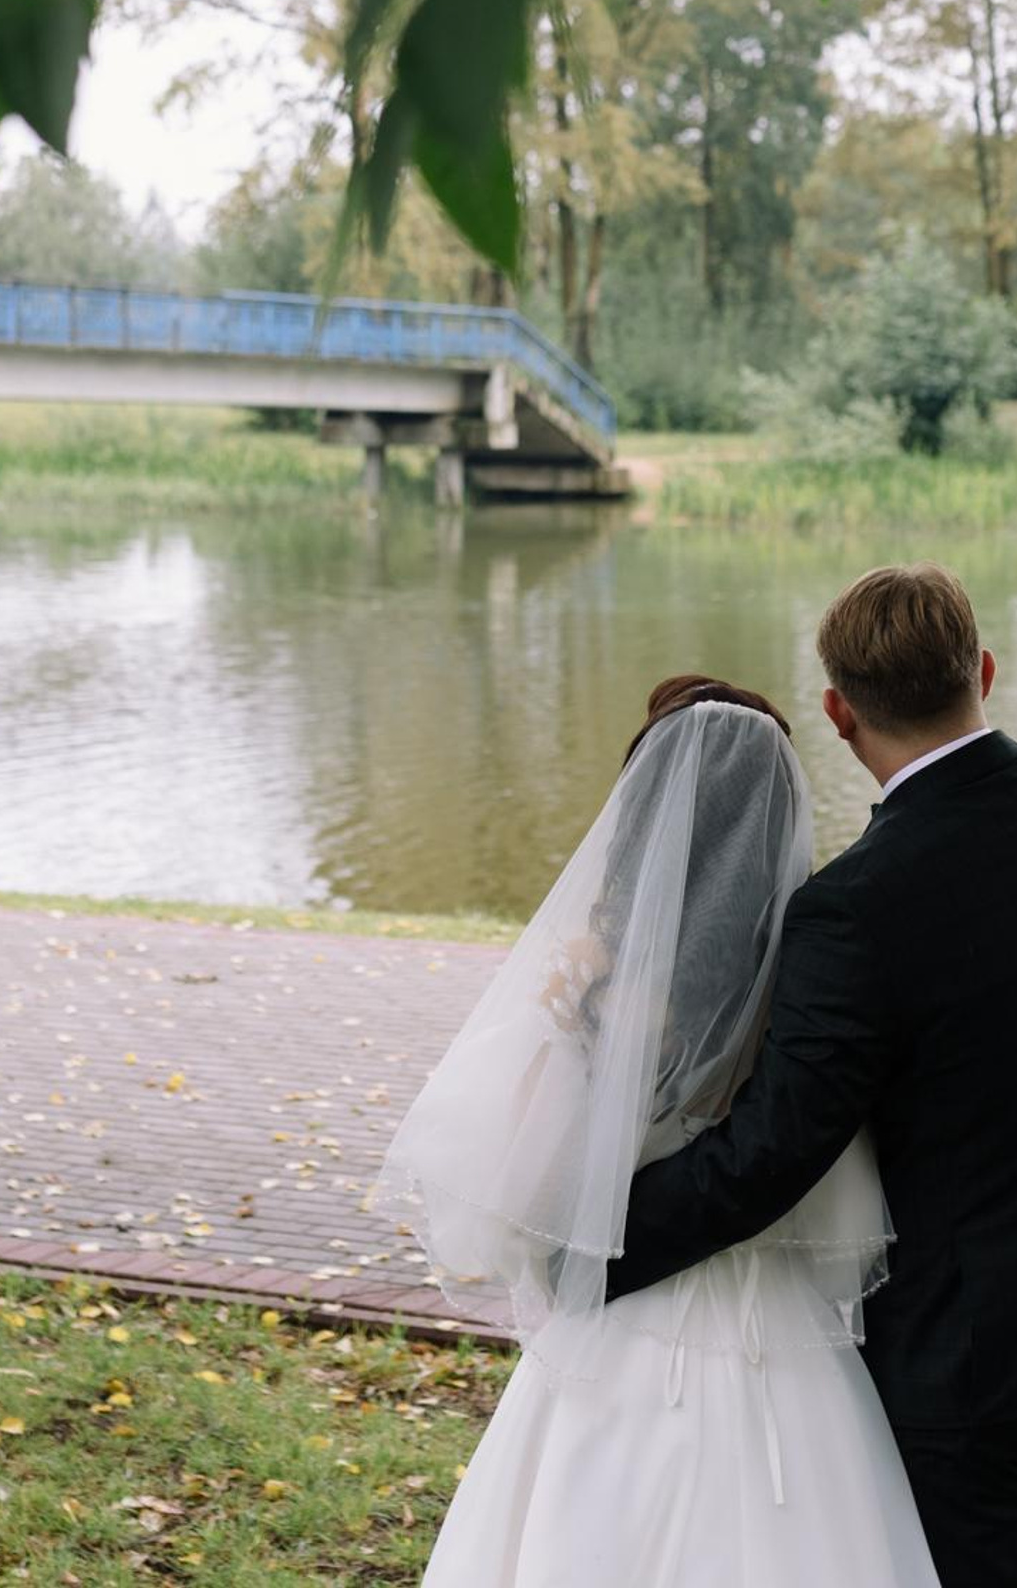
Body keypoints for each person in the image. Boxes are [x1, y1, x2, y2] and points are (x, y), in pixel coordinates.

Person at [608, 566, 1017, 1588]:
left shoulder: (855, 906)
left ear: (837, 712)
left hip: (982, 1366)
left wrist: (594, 1245)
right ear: (982, 670)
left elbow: (773, 1150)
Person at [373, 674, 941, 1588]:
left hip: (625, 1317)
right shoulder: (816, 966)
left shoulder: (597, 980)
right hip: (774, 1321)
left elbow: (528, 1192)